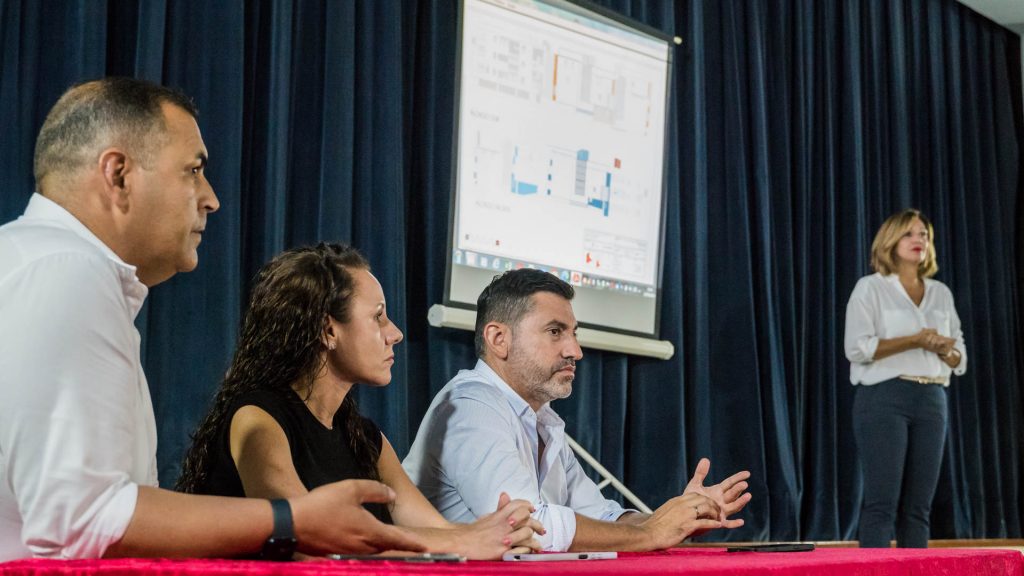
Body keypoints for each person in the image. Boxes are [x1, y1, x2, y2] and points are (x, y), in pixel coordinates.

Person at [0, 77, 424, 560]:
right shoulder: (66, 273)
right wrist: (292, 520)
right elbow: (82, 518)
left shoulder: (46, 264)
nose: (211, 198)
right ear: (118, 175)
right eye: (193, 170)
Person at [176, 243, 543, 560]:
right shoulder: (256, 418)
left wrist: (499, 532)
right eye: (378, 317)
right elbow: (301, 538)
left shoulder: (366, 438)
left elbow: (439, 532)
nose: (395, 333)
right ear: (328, 330)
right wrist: (467, 540)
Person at [403, 268, 752, 552]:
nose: (575, 350)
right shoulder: (471, 406)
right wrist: (651, 533)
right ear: (498, 339)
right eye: (555, 332)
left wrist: (678, 516)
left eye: (573, 333)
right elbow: (529, 528)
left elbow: (601, 517)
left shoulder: (542, 421)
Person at [844, 208, 967, 548]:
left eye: (924, 235)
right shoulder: (870, 288)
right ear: (890, 240)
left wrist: (944, 349)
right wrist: (915, 339)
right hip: (884, 398)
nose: (919, 241)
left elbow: (961, 358)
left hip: (932, 399)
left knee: (918, 508)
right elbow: (856, 348)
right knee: (882, 503)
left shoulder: (940, 292)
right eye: (910, 234)